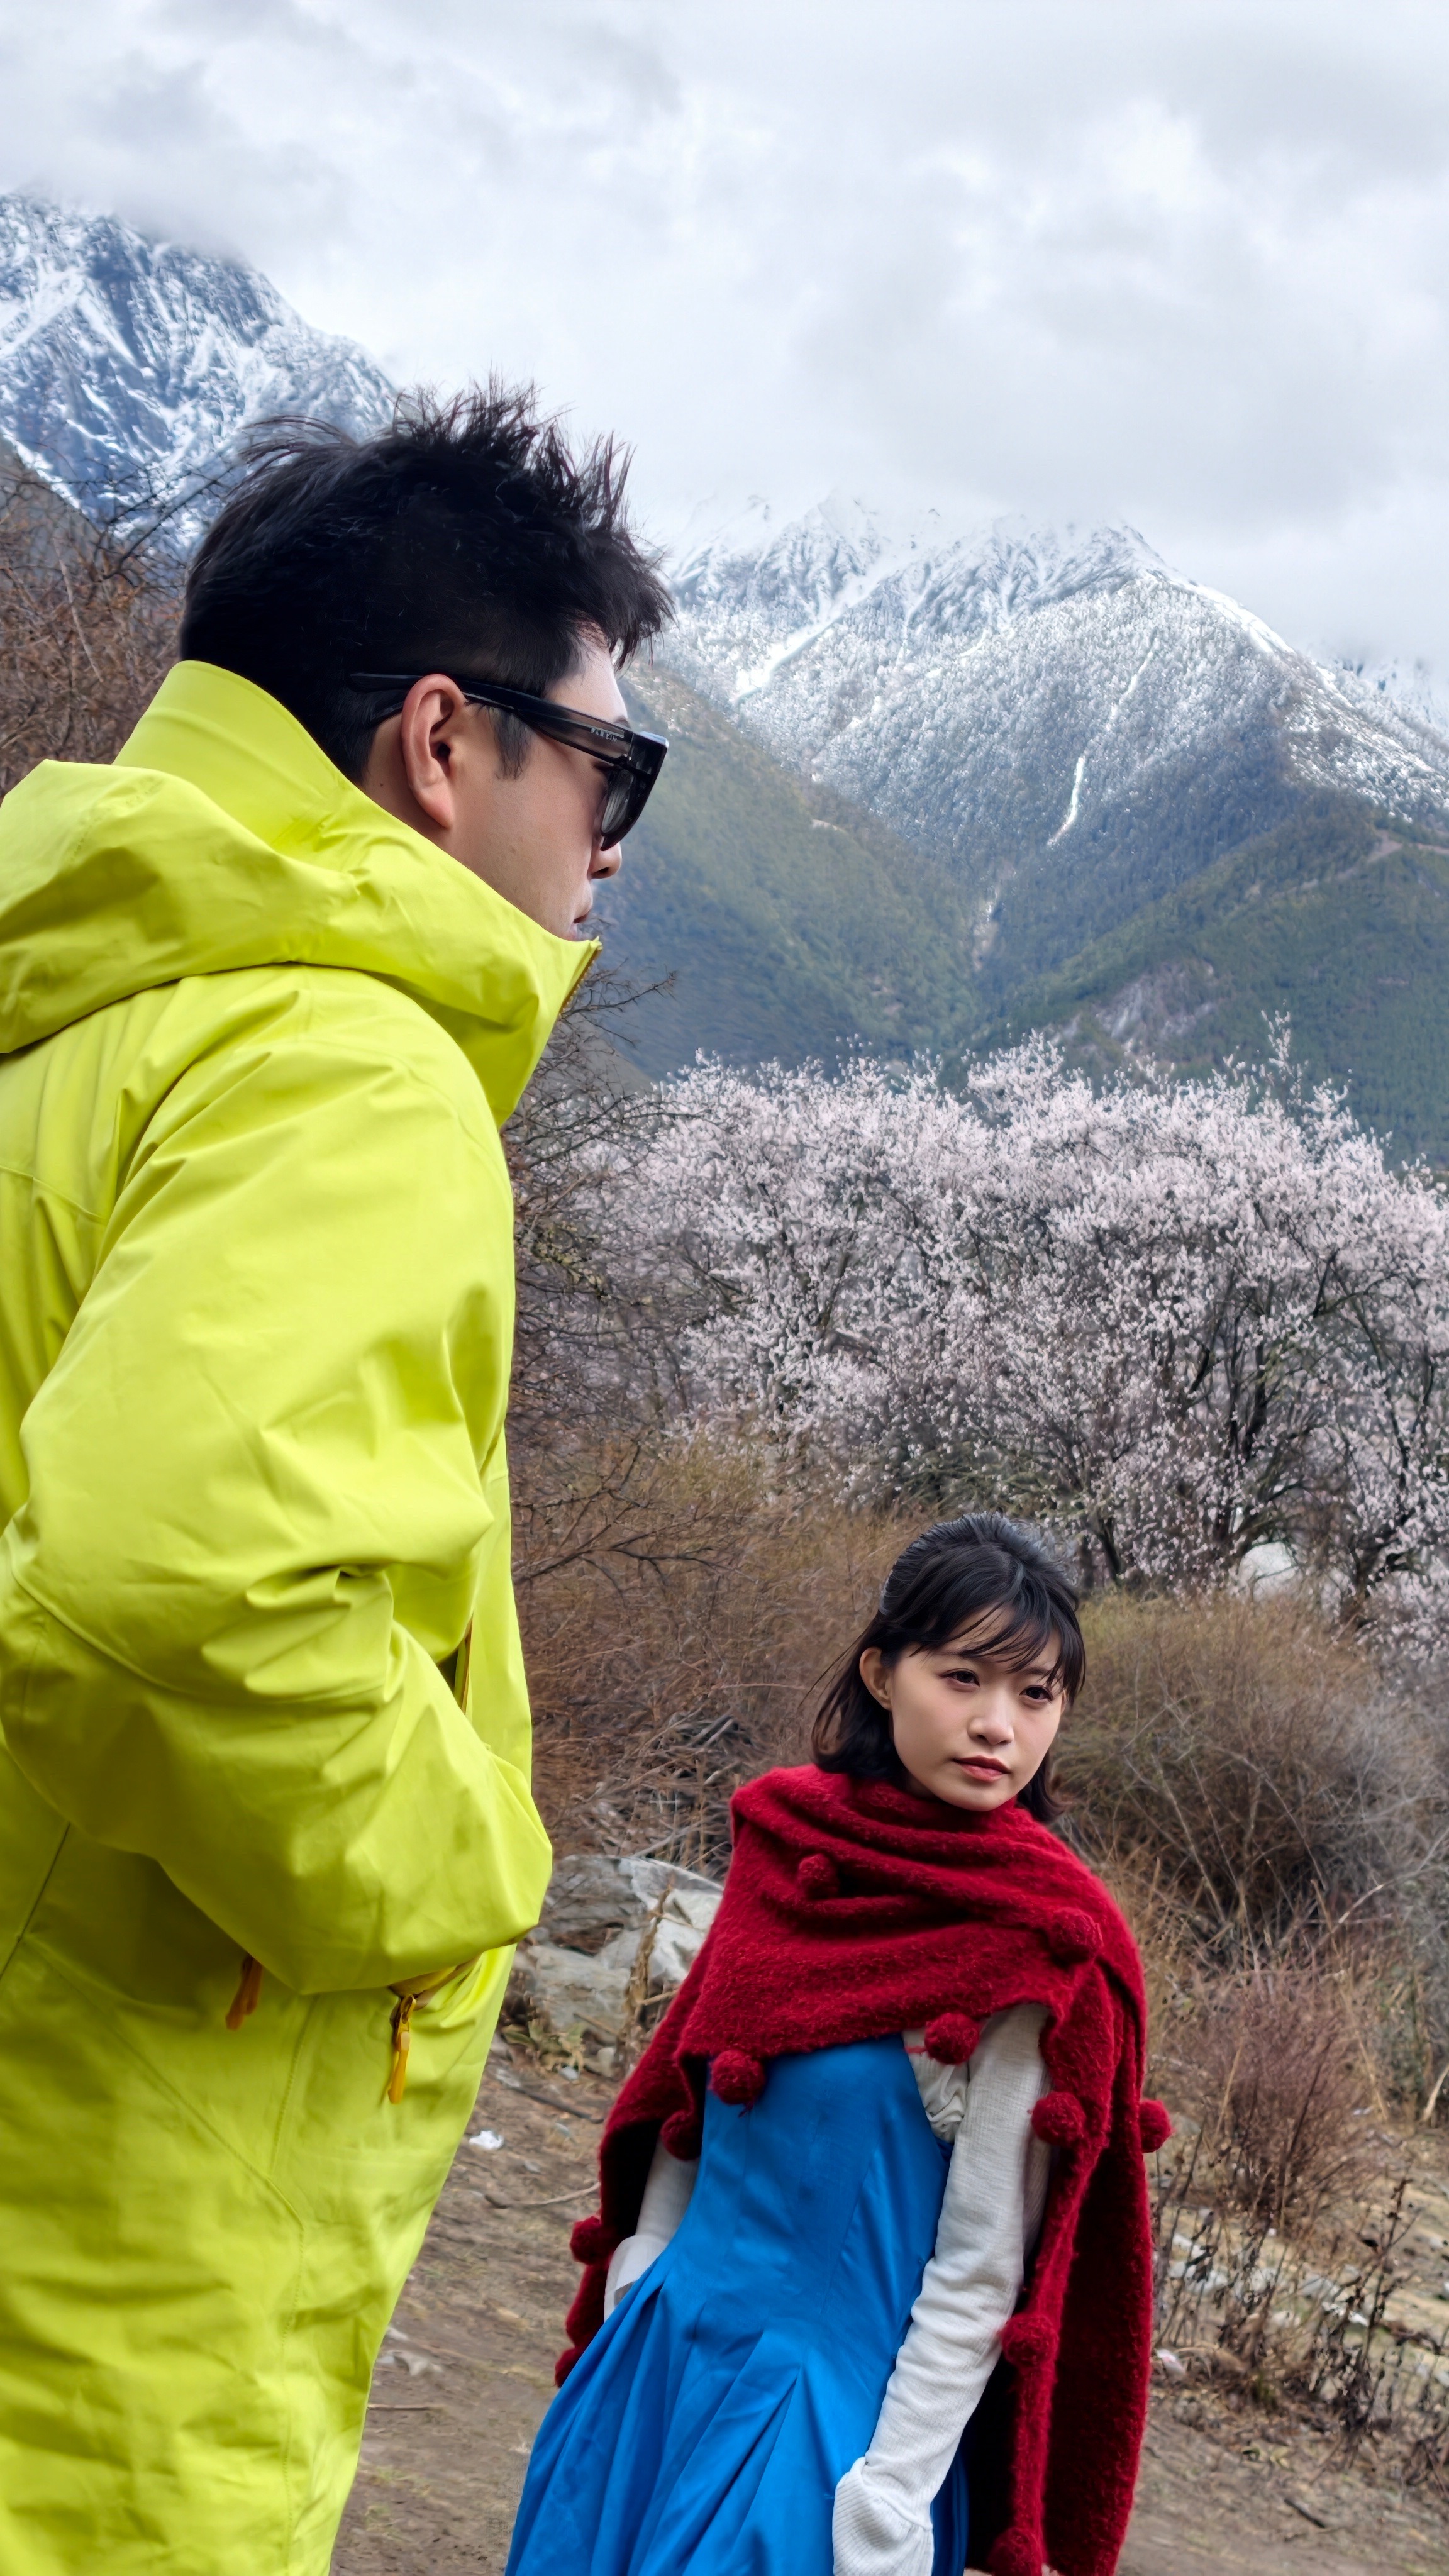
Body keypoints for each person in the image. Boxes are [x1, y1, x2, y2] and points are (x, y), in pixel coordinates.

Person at [0, 386, 671, 2576]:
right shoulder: (344, 1056)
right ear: (443, 743)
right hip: (104, 2275)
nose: (609, 847)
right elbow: (175, 1592)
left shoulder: (71, 1010)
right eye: (612, 770)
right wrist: (460, 1877)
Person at [507, 1514, 1169, 2576]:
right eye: (963, 1678)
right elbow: (696, 2094)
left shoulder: (1036, 1942)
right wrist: (642, 2271)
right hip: (657, 2368)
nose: (997, 1725)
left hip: (825, 2435)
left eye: (1036, 1694)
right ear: (881, 1672)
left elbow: (981, 2269)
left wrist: (889, 2496)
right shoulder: (792, 1841)